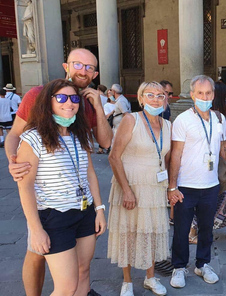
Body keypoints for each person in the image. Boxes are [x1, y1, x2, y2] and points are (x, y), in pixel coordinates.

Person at [5, 48, 112, 296]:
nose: (83, 71)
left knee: (80, 273)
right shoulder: (37, 96)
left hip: (81, 207)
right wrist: (13, 160)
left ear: (95, 73)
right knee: (37, 256)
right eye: (78, 64)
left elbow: (102, 148)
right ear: (66, 65)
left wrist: (97, 105)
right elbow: (14, 134)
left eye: (89, 68)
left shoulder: (83, 112)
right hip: (49, 205)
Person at [107, 82, 170, 296]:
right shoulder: (130, 119)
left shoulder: (168, 125)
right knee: (128, 232)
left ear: (165, 99)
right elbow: (114, 157)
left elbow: (167, 159)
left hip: (155, 187)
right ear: (141, 99)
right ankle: (127, 281)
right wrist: (126, 190)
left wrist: (171, 187)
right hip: (131, 184)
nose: (155, 99)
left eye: (160, 95)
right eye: (149, 95)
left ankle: (150, 277)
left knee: (151, 232)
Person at [168, 75, 226, 289]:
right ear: (192, 94)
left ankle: (202, 264)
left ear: (214, 94)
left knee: (206, 228)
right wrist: (172, 186)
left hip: (210, 185)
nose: (205, 97)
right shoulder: (183, 120)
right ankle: (178, 267)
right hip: (186, 185)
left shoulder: (219, 119)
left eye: (208, 93)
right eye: (200, 93)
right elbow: (176, 154)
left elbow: (223, 146)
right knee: (182, 229)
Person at [188, 81, 226, 243]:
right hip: (209, 165)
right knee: (220, 196)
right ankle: (193, 231)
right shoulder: (217, 116)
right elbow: (224, 146)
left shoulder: (213, 116)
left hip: (208, 165)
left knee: (225, 197)